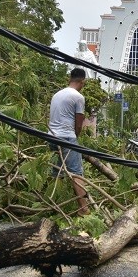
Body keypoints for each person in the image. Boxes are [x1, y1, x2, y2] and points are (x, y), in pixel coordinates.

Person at [48, 67, 90, 215]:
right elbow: (78, 124)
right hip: (67, 137)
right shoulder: (78, 97)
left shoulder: (57, 95)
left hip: (51, 136)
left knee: (57, 172)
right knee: (76, 173)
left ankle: (53, 205)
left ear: (69, 79)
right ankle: (84, 209)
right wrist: (75, 139)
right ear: (82, 81)